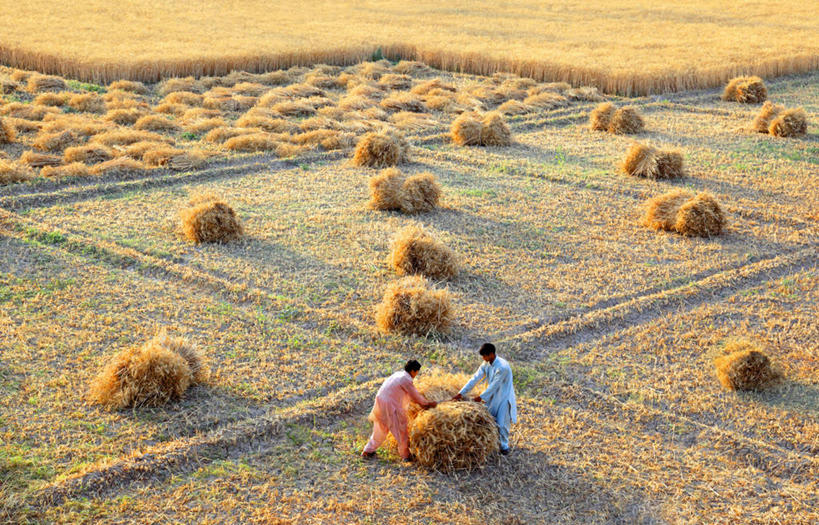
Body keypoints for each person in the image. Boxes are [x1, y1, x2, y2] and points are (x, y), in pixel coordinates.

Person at [362, 360, 436, 461]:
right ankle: (406, 456)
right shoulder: (406, 380)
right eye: (417, 371)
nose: (417, 374)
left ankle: (367, 451)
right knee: (401, 432)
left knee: (380, 429)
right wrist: (428, 404)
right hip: (391, 406)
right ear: (413, 371)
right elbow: (416, 397)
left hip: (380, 402)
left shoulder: (398, 374)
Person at [453, 343, 517, 455]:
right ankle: (492, 443)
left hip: (504, 397)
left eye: (485, 356)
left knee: (502, 423)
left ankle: (504, 446)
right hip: (492, 396)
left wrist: (480, 398)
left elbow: (494, 386)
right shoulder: (486, 364)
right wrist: (461, 393)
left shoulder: (503, 367)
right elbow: (475, 378)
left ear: (491, 354)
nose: (483, 358)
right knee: (491, 420)